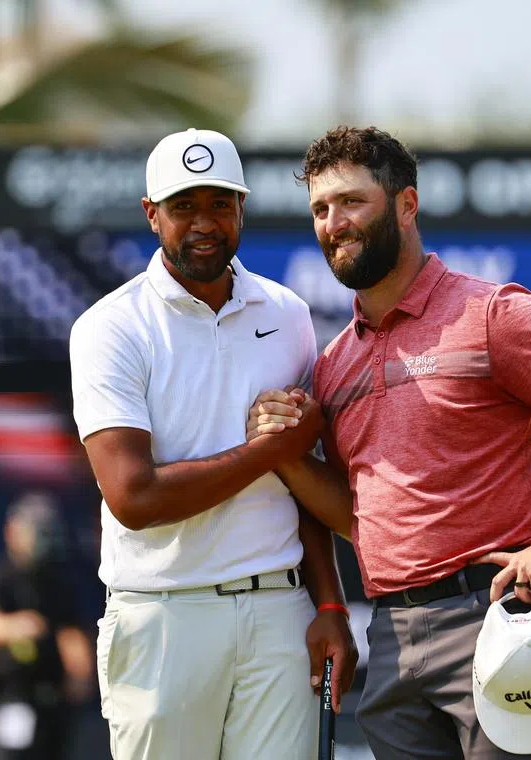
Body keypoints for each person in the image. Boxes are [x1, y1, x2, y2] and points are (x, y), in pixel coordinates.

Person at [246, 126, 531, 759]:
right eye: (320, 210)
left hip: (499, 618)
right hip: (392, 637)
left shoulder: (492, 313)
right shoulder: (332, 364)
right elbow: (361, 517)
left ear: (407, 204)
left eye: (352, 201)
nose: (334, 223)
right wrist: (286, 456)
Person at [67, 127, 357, 760]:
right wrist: (270, 450)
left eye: (219, 204)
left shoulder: (286, 314)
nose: (204, 223)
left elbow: (303, 481)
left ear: (241, 209)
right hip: (162, 614)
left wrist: (330, 601)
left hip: (279, 608)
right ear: (152, 215)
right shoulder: (109, 328)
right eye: (183, 207)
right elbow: (134, 497)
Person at [0, 492, 94, 760]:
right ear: (12, 532)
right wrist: (16, 626)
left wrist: (79, 676)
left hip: (53, 698)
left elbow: (71, 632)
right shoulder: (0, 577)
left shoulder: (59, 580)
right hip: (12, 694)